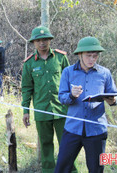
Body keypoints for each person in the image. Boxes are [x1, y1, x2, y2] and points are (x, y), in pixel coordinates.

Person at [55, 36, 117, 173]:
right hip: (72, 129)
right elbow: (61, 97)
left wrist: (112, 100)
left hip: (96, 130)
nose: (92, 59)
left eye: (95, 56)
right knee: (61, 167)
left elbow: (115, 97)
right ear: (79, 54)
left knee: (96, 169)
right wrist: (71, 95)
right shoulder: (68, 72)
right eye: (88, 55)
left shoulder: (105, 73)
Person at [21, 26, 77, 173]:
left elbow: (72, 80)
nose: (42, 43)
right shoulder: (29, 63)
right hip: (41, 110)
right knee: (46, 145)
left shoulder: (60, 57)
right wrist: (25, 110)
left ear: (50, 40)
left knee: (67, 145)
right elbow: (26, 88)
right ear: (34, 42)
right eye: (38, 41)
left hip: (62, 110)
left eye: (45, 39)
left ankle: (71, 170)